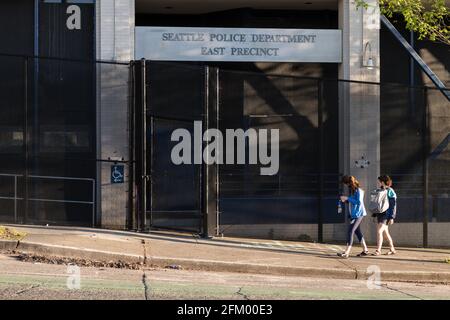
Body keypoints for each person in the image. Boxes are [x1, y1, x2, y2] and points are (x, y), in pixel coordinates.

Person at [338, 175, 369, 258]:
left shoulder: (358, 190)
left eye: (346, 184)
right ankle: (365, 250)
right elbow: (353, 202)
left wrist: (347, 198)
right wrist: (345, 200)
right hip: (355, 214)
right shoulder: (353, 190)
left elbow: (358, 202)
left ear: (349, 183)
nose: (346, 186)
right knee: (357, 232)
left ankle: (347, 252)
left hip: (358, 214)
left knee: (350, 231)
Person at [373, 175, 397, 256]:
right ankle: (392, 249)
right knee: (385, 234)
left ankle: (378, 250)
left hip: (386, 215)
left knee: (379, 231)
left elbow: (393, 205)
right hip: (380, 214)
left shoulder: (390, 191)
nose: (378, 182)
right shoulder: (379, 190)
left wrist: (392, 217)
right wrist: (374, 214)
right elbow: (377, 204)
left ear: (382, 182)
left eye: (379, 181)